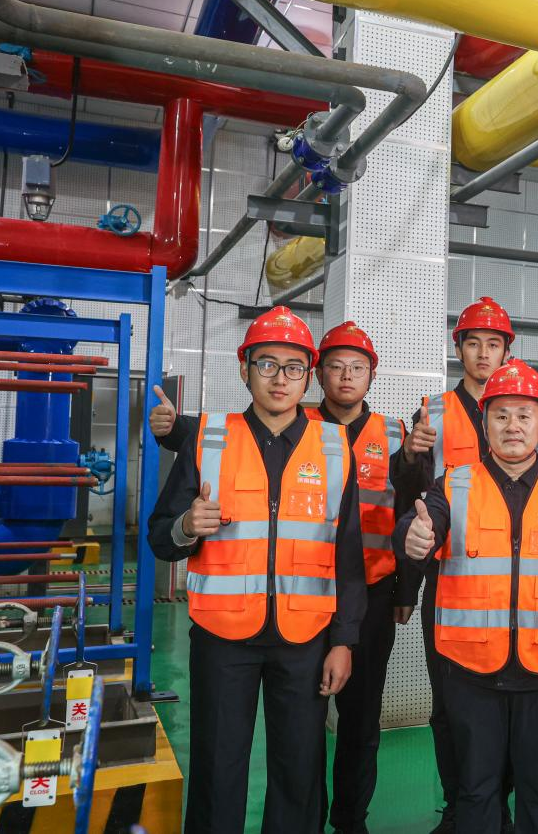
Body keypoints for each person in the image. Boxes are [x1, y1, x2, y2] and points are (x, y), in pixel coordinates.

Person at [148, 320, 411, 834]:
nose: (279, 378)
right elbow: (161, 536)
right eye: (266, 364)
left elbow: (348, 557)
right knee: (217, 768)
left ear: (308, 377)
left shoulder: (334, 448)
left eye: (293, 367)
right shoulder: (209, 439)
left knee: (299, 776)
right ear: (244, 370)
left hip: (305, 639)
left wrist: (344, 641)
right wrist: (185, 526)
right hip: (223, 638)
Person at [397, 360, 538, 834]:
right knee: (476, 791)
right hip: (471, 670)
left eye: (524, 415)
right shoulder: (453, 485)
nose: (513, 426)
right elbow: (420, 523)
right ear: (484, 423)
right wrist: (413, 537)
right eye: (501, 415)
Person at [394, 295, 517, 833]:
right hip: (448, 576)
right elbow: (411, 502)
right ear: (458, 349)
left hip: (512, 578)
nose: (483, 354)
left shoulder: (524, 406)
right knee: (448, 701)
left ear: (507, 351)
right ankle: (459, 806)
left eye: (493, 344)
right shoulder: (434, 414)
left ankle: (497, 807)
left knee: (507, 701)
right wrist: (410, 455)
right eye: (473, 343)